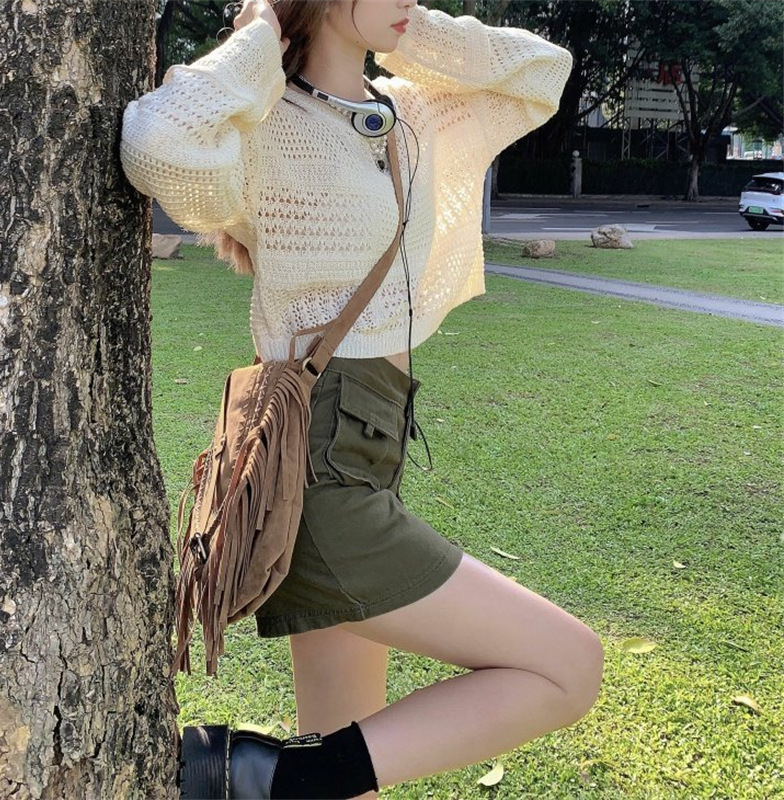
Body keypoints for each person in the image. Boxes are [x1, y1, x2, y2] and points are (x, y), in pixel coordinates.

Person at [120, 0, 603, 798]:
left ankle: (283, 779)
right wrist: (261, 39)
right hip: (313, 469)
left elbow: (541, 76)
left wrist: (411, 31)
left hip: (373, 447)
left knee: (351, 777)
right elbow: (157, 146)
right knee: (567, 665)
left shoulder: (407, 112)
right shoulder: (266, 121)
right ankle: (262, 779)